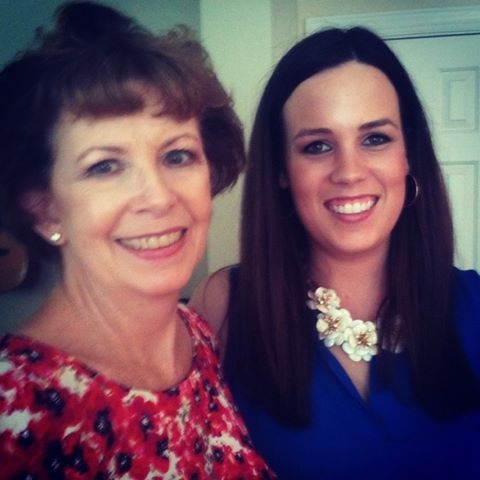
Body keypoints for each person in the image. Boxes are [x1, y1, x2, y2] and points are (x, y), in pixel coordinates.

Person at [190, 26, 480, 479]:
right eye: (318, 146)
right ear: (282, 170)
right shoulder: (225, 304)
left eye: (375, 138)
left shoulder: (474, 304)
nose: (349, 172)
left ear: (408, 155)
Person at [0, 2, 275, 478]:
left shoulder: (197, 333)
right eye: (105, 166)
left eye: (177, 155)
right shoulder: (16, 407)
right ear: (45, 208)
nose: (159, 197)